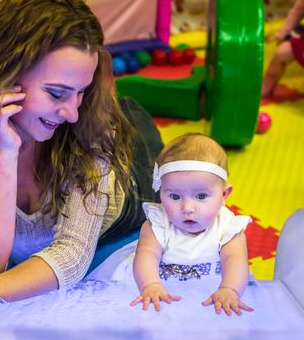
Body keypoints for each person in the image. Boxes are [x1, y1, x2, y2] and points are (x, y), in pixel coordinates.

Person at [0, 0, 162, 326]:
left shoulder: (89, 122)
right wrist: (5, 153)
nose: (71, 112)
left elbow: (72, 256)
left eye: (81, 91)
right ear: (6, 73)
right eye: (56, 92)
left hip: (131, 182)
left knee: (186, 192)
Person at [108, 133, 253, 315]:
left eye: (201, 196)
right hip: (152, 283)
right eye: (175, 196)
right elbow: (147, 255)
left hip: (214, 288)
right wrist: (150, 284)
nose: (187, 208)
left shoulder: (228, 227)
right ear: (160, 193)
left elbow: (236, 260)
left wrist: (230, 290)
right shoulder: (158, 223)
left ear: (224, 195)